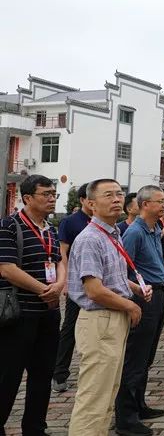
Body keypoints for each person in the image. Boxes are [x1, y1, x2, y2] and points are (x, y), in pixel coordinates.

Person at [67, 179, 152, 436]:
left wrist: (134, 289)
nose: (117, 199)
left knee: (108, 392)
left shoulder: (111, 234)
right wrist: (131, 305)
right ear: (90, 204)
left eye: (119, 194)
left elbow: (108, 277)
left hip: (112, 319)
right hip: (100, 319)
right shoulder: (90, 238)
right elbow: (93, 289)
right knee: (94, 397)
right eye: (108, 195)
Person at [0, 175, 64, 436]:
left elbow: (60, 260)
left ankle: (35, 428)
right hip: (19, 315)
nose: (51, 199)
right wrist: (44, 290)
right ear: (27, 198)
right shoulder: (9, 226)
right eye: (45, 194)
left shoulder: (51, 229)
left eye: (53, 194)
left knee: (42, 376)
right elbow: (7, 269)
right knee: (8, 376)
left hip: (48, 314)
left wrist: (59, 285)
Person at [114, 185, 164, 436]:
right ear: (145, 204)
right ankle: (125, 417)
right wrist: (137, 292)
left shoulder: (155, 229)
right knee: (135, 357)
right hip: (143, 297)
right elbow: (124, 268)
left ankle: (139, 404)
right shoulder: (134, 233)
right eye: (160, 201)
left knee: (147, 355)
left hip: (158, 294)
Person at [53, 182, 92, 392]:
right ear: (83, 200)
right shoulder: (71, 222)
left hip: (100, 285)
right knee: (70, 327)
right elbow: (62, 253)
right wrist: (67, 280)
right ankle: (60, 373)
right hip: (77, 284)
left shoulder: (101, 221)